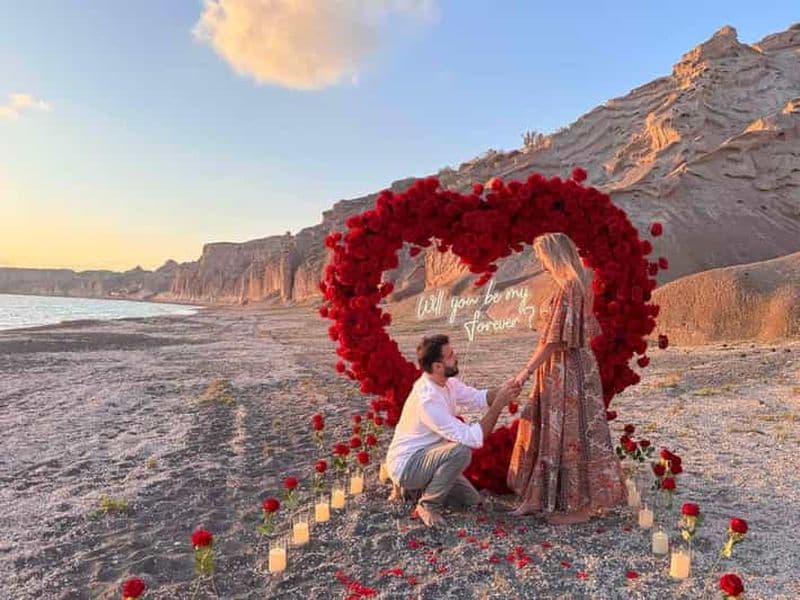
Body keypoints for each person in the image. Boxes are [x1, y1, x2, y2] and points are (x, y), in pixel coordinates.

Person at [507, 233, 626, 524]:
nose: (542, 264)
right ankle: (539, 497)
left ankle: (579, 509)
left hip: (565, 370)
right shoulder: (579, 284)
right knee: (554, 430)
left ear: (553, 255)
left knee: (570, 434)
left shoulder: (571, 287)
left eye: (543, 258)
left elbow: (555, 341)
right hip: (565, 368)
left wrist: (525, 371)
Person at [385, 334, 521, 527]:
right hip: (408, 466)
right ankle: (428, 505)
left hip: (428, 459)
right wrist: (499, 404)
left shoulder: (447, 382)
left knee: (471, 501)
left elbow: (479, 397)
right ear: (437, 367)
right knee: (461, 450)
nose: (455, 357)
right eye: (449, 355)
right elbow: (473, 439)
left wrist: (507, 389)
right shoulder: (428, 399)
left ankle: (412, 492)